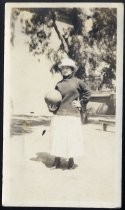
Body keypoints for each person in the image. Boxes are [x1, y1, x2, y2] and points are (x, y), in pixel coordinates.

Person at [47, 57, 91, 169]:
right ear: (61, 71)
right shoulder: (58, 84)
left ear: (72, 70)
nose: (65, 70)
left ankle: (71, 161)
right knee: (58, 137)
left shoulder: (77, 81)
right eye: (63, 68)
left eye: (67, 68)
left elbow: (88, 92)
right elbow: (55, 99)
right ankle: (57, 161)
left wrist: (81, 103)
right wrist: (52, 107)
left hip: (72, 114)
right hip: (59, 114)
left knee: (71, 138)